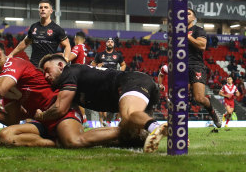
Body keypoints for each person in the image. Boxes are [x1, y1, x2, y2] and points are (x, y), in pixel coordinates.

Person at [0, 40, 120, 148]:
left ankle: (125, 132)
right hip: (41, 121)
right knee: (5, 136)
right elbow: (12, 119)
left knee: (74, 142)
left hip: (62, 112)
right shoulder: (5, 84)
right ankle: (55, 143)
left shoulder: (14, 64)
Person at [36, 53, 167, 153]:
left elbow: (60, 109)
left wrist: (42, 116)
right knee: (130, 137)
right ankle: (171, 134)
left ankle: (156, 127)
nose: (46, 76)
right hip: (137, 85)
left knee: (129, 114)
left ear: (60, 65)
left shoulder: (68, 72)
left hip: (131, 82)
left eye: (47, 70)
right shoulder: (71, 81)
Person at [7, 0, 71, 67]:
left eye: (46, 7)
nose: (43, 9)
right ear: (39, 11)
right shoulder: (33, 27)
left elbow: (67, 45)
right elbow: (25, 42)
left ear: (51, 11)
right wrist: (11, 54)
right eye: (41, 7)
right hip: (34, 65)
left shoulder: (57, 29)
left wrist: (65, 59)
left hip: (48, 66)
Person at [187, 8, 222, 128]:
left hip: (196, 65)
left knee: (199, 98)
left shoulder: (198, 30)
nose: (185, 16)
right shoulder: (176, 32)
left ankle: (213, 112)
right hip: (180, 67)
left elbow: (202, 46)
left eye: (188, 14)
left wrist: (187, 37)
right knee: (180, 95)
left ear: (194, 18)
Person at [92, 37, 126, 126]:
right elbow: (92, 65)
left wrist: (120, 72)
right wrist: (97, 67)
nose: (110, 43)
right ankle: (101, 121)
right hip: (102, 80)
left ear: (114, 44)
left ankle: (110, 120)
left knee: (115, 99)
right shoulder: (99, 55)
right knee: (101, 100)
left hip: (113, 80)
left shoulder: (118, 55)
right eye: (108, 42)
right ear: (106, 44)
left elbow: (123, 64)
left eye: (112, 42)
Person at [65, 31, 88, 123]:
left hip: (76, 76)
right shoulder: (84, 48)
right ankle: (83, 120)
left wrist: (64, 57)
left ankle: (82, 120)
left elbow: (69, 58)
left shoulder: (77, 47)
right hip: (83, 75)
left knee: (72, 98)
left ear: (75, 39)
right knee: (78, 100)